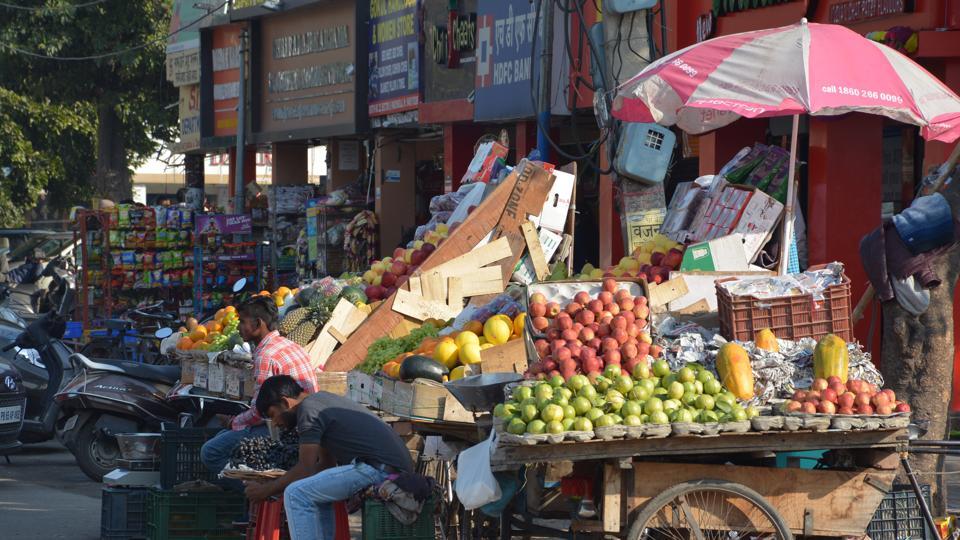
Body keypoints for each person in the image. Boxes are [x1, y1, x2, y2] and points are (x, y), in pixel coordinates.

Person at [246, 375, 414, 539]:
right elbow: (325, 464)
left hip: (380, 469)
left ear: (285, 402)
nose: (274, 423)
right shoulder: (319, 402)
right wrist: (278, 484)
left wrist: (266, 490)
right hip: (386, 466)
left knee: (295, 494)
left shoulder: (308, 410)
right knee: (314, 495)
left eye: (273, 414)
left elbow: (306, 468)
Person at [200, 296, 320, 479]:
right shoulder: (291, 345)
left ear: (258, 323)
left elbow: (259, 413)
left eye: (242, 321)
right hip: (302, 421)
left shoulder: (266, 355)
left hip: (287, 426)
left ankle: (257, 491)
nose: (239, 327)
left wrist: (233, 422)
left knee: (211, 452)